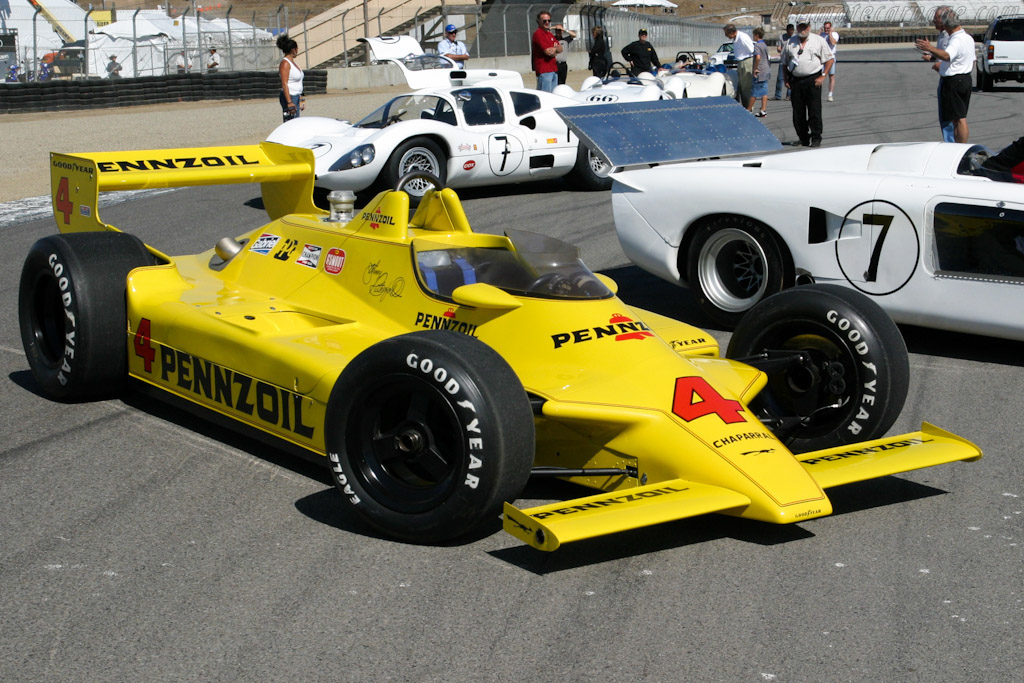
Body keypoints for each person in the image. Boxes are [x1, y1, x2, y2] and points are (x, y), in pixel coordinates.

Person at [916, 7, 975, 144]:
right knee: (959, 117)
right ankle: (959, 146)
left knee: (958, 119)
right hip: (964, 78)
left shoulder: (956, 39)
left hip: (954, 81)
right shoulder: (967, 37)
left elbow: (947, 55)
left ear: (946, 24)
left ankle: (958, 148)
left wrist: (929, 48)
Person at [781, 21, 834, 147]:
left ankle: (816, 137)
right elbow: (784, 62)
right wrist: (786, 79)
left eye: (805, 27)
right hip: (796, 80)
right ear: (797, 27)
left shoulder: (818, 40)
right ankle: (803, 138)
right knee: (798, 112)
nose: (802, 29)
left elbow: (830, 59)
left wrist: (823, 76)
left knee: (814, 110)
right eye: (800, 27)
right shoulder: (791, 42)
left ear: (809, 27)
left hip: (813, 79)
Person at [724, 24, 755, 111]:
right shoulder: (736, 39)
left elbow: (752, 50)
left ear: (732, 32)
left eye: (727, 33)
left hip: (746, 61)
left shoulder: (742, 37)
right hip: (741, 62)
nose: (726, 36)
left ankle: (749, 108)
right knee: (741, 86)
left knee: (746, 87)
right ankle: (745, 107)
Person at [277, 34, 304, 121]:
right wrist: (289, 102)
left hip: (296, 96)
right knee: (290, 123)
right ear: (293, 49)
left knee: (296, 122)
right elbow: (284, 84)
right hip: (289, 97)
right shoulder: (285, 63)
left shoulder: (292, 63)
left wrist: (301, 98)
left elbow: (298, 83)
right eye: (297, 49)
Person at [531, 11, 561, 92]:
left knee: (553, 95)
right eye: (544, 21)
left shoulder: (549, 34)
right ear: (539, 22)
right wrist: (555, 50)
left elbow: (560, 48)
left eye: (549, 20)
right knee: (545, 96)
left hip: (553, 69)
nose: (547, 22)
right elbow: (548, 52)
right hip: (544, 71)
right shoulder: (538, 34)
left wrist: (554, 49)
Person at [752, 27, 770, 117]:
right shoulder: (764, 44)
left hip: (760, 70)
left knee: (754, 92)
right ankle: (763, 109)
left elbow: (758, 57)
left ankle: (748, 109)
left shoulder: (757, 45)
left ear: (756, 35)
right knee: (764, 91)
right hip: (766, 69)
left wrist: (755, 68)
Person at [774, 24, 794, 100]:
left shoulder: (795, 38)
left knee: (791, 78)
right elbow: (778, 48)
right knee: (780, 78)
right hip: (783, 59)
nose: (790, 33)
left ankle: (789, 95)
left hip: (791, 60)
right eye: (789, 31)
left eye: (791, 31)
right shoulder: (782, 37)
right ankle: (777, 95)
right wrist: (782, 49)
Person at [820, 21, 839, 101]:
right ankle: (818, 94)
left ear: (830, 27)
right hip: (822, 57)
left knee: (831, 75)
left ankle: (830, 94)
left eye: (828, 28)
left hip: (830, 56)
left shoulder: (835, 34)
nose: (826, 29)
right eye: (825, 28)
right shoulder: (821, 35)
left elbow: (833, 42)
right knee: (820, 75)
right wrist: (819, 32)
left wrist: (830, 33)